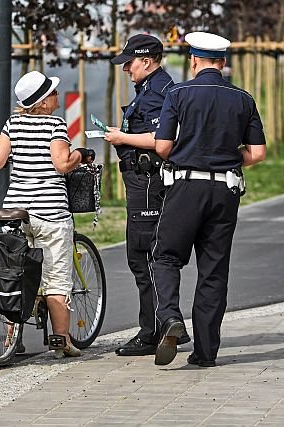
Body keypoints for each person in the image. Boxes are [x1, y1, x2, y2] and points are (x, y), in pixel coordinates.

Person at [151, 32, 267, 367]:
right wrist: (228, 160)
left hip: (186, 186)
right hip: (226, 191)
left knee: (168, 257)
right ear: (223, 62)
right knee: (213, 270)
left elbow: (162, 147)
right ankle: (205, 353)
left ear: (194, 61)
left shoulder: (178, 93)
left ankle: (171, 317)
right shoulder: (243, 98)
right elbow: (257, 153)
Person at [0, 70, 95, 359]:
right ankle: (62, 341)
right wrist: (80, 156)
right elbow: (61, 164)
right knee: (57, 278)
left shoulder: (13, 124)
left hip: (16, 211)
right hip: (50, 213)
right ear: (43, 102)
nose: (57, 96)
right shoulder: (56, 125)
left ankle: (11, 339)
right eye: (54, 93)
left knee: (15, 273)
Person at [105, 33, 190, 357]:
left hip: (147, 181)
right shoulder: (152, 88)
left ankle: (154, 331)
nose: (126, 69)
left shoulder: (157, 91)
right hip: (144, 179)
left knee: (143, 256)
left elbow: (160, 138)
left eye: (129, 63)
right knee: (149, 255)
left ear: (147, 61)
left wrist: (121, 136)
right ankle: (165, 324)